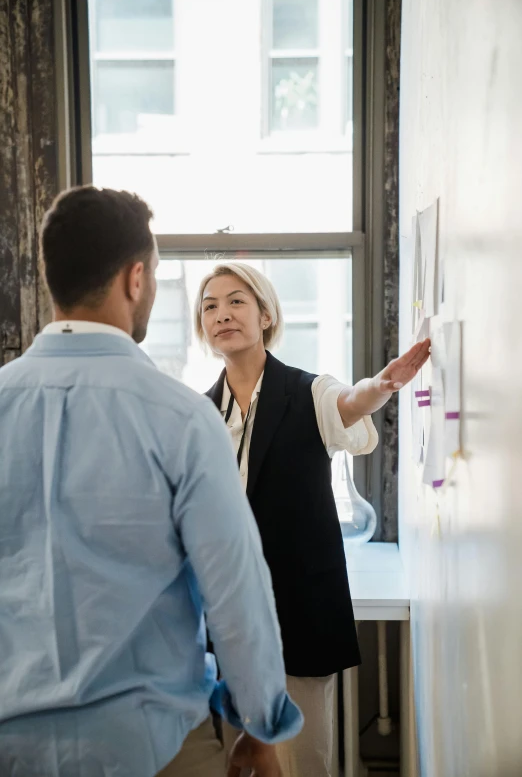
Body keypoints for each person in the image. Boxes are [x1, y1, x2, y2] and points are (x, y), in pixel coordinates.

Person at [0, 187, 303, 777]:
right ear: (135, 279)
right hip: (154, 745)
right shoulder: (182, 419)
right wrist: (259, 726)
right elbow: (235, 591)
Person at [195, 262, 430, 777]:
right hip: (227, 613)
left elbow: (350, 402)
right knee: (237, 757)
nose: (222, 314)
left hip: (300, 604)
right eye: (210, 306)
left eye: (236, 301)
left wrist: (383, 384)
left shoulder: (307, 391)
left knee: (304, 756)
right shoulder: (200, 412)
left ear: (265, 314)